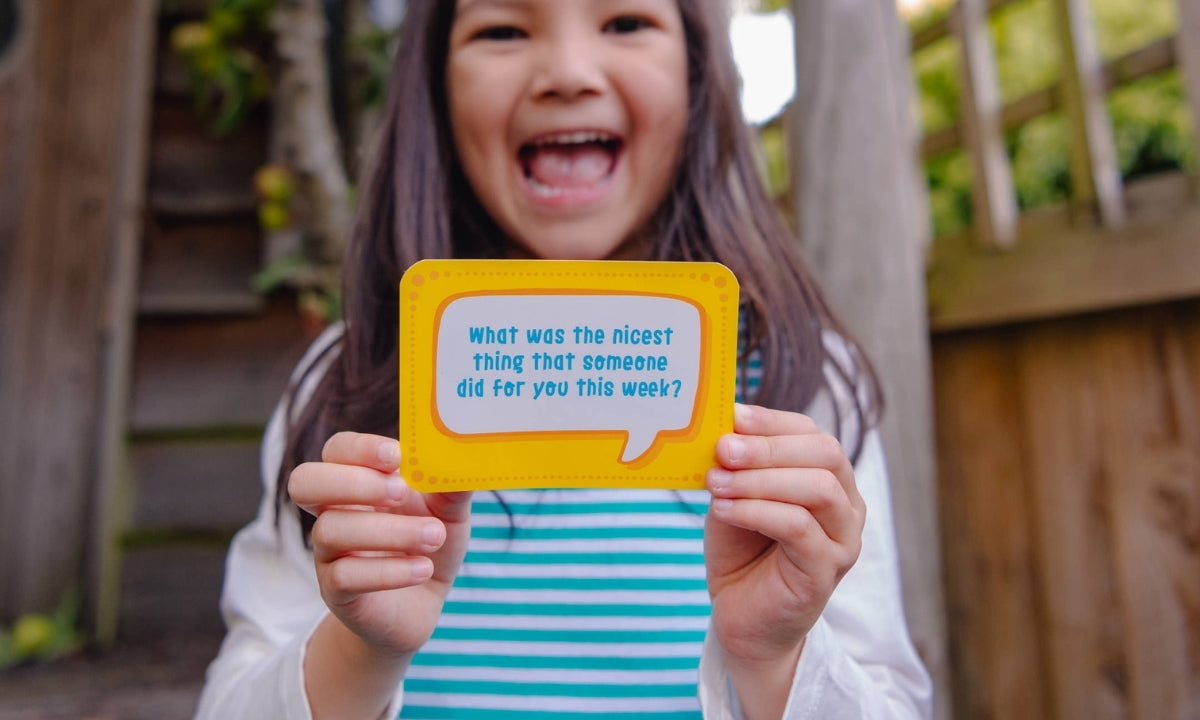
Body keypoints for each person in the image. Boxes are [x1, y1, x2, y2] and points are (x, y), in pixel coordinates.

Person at [195, 0, 933, 718]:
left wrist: (776, 658)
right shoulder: (347, 384)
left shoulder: (800, 388)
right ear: (435, 88)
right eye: (505, 28)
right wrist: (357, 650)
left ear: (699, 75)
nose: (569, 71)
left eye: (626, 21)